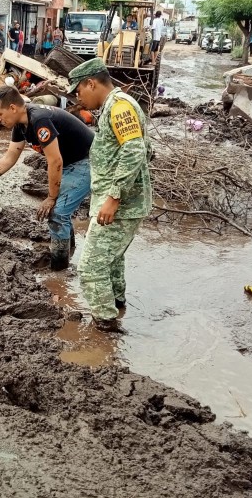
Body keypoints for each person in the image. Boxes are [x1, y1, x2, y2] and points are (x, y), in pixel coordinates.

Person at [0, 86, 94, 270]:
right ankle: (68, 252)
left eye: (0, 114)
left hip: (88, 160)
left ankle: (60, 269)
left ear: (13, 108)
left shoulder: (40, 119)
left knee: (57, 213)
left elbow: (55, 162)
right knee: (60, 212)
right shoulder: (20, 125)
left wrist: (51, 197)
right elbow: (10, 157)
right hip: (71, 162)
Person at [67, 58, 152, 331]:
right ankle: (117, 304)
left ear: (91, 83)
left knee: (90, 267)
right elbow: (140, 149)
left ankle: (106, 327)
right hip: (119, 202)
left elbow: (135, 150)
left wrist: (113, 197)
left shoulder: (120, 107)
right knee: (112, 261)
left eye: (79, 91)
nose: (78, 98)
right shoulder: (116, 107)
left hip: (119, 204)